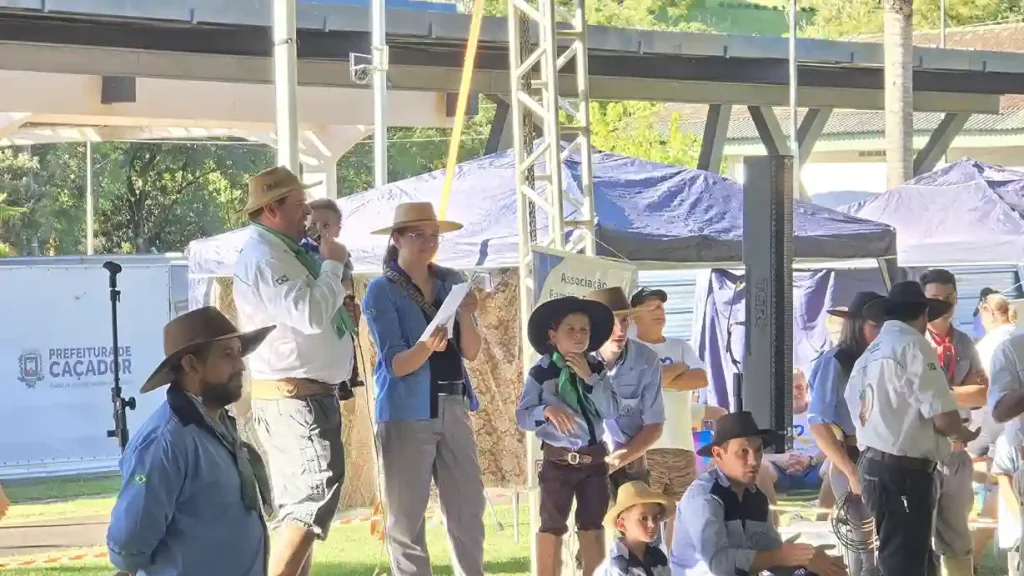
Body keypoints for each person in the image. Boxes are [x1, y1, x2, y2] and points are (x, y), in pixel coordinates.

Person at [233, 166, 352, 576]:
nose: (307, 213)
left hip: (301, 396)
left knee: (299, 508)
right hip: (295, 399)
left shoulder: (284, 251)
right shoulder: (266, 257)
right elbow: (310, 314)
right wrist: (333, 267)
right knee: (310, 501)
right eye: (299, 204)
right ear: (271, 209)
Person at [362, 202, 486, 576]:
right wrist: (426, 346)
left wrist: (466, 313)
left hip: (453, 402)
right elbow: (396, 364)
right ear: (396, 238)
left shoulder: (451, 281)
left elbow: (471, 352)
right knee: (406, 519)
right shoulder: (381, 290)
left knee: (468, 508)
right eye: (418, 234)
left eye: (434, 235)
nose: (428, 242)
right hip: (405, 410)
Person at [106, 307, 275, 576]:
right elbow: (128, 543)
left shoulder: (216, 425)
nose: (241, 365)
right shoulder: (165, 442)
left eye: (239, 353)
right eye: (228, 354)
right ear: (191, 365)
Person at [844, 281, 981, 576]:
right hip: (903, 471)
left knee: (906, 557)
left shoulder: (868, 355)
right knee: (906, 563)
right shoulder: (913, 346)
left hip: (875, 464)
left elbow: (854, 407)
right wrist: (963, 433)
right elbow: (942, 416)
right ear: (923, 314)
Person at [669, 411, 847, 576]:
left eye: (758, 450)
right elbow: (719, 565)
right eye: (743, 452)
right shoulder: (704, 497)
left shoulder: (756, 497)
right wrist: (780, 556)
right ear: (718, 454)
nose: (753, 460)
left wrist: (808, 560)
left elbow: (771, 554)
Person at [517, 295, 618, 575]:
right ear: (553, 336)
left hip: (594, 461)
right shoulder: (541, 373)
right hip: (558, 462)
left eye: (584, 330)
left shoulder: (597, 369)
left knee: (593, 525)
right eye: (570, 329)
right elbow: (523, 416)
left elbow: (611, 410)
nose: (578, 335)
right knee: (552, 525)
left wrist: (589, 378)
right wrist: (546, 410)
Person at [630, 287, 725, 552]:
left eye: (660, 307)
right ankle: (646, 562)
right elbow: (639, 382)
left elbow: (701, 378)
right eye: (650, 308)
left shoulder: (681, 345)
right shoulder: (631, 348)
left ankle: (674, 563)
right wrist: (678, 369)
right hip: (646, 446)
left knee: (680, 511)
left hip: (682, 445)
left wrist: (660, 377)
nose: (658, 312)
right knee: (646, 511)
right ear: (634, 316)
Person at [806, 291, 884, 576]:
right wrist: (850, 471)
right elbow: (817, 422)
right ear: (857, 324)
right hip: (851, 454)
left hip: (880, 455)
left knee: (877, 548)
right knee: (863, 551)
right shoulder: (835, 361)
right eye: (875, 325)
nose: (881, 332)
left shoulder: (880, 358)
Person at [921, 269, 988, 576]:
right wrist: (961, 391)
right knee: (920, 539)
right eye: (935, 298)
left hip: (958, 454)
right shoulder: (913, 343)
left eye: (949, 297)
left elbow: (981, 395)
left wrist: (940, 392)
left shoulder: (963, 343)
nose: (943, 304)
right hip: (923, 453)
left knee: (958, 539)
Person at [587, 287, 665, 493]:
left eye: (624, 320)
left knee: (640, 513)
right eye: (611, 322)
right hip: (588, 464)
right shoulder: (577, 360)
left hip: (631, 461)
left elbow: (655, 425)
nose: (620, 330)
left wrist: (619, 460)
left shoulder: (646, 360)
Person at [970, 291, 1018, 567]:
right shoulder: (1014, 337)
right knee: (997, 484)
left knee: (993, 482)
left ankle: (972, 558)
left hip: (997, 421)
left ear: (987, 312)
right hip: (1007, 424)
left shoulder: (991, 344)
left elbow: (984, 391)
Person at [304, 197, 364, 397]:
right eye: (314, 224)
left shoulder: (340, 253)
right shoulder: (300, 252)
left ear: (337, 229)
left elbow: (347, 285)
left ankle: (347, 379)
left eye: (326, 225)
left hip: (337, 306)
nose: (319, 230)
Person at [597, 481, 675, 576]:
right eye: (643, 518)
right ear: (622, 524)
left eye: (655, 517)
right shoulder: (615, 564)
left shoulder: (658, 556)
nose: (652, 524)